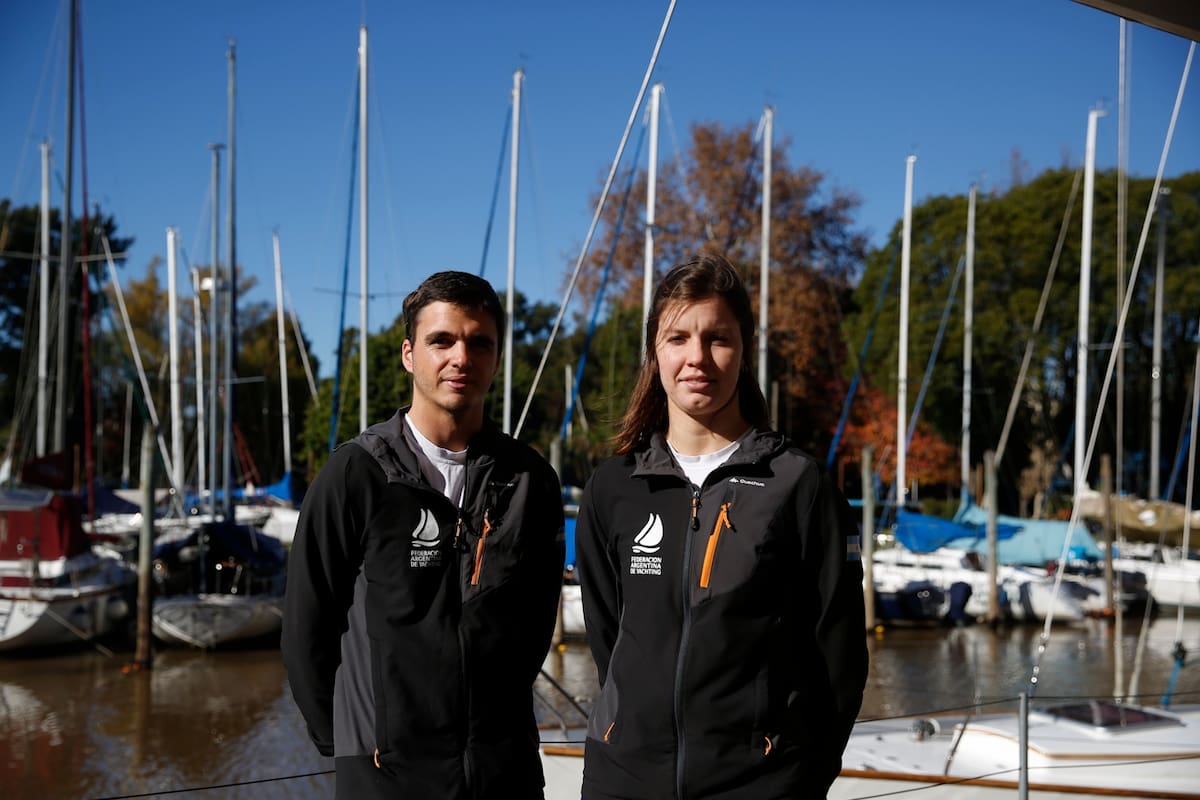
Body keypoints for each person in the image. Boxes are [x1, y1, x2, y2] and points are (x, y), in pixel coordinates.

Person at [575, 252, 869, 800]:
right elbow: (608, 639)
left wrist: (802, 778)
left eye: (717, 339)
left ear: (744, 350)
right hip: (625, 779)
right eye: (678, 338)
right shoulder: (613, 488)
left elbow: (839, 653)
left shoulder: (796, 483)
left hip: (760, 784)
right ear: (654, 352)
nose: (697, 358)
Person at [282, 270, 565, 799]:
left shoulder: (531, 481)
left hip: (504, 773)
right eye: (442, 341)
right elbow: (306, 628)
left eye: (479, 343)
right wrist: (352, 745)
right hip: (385, 776)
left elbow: (534, 628)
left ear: (497, 357)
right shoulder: (356, 474)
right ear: (410, 354)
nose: (461, 358)